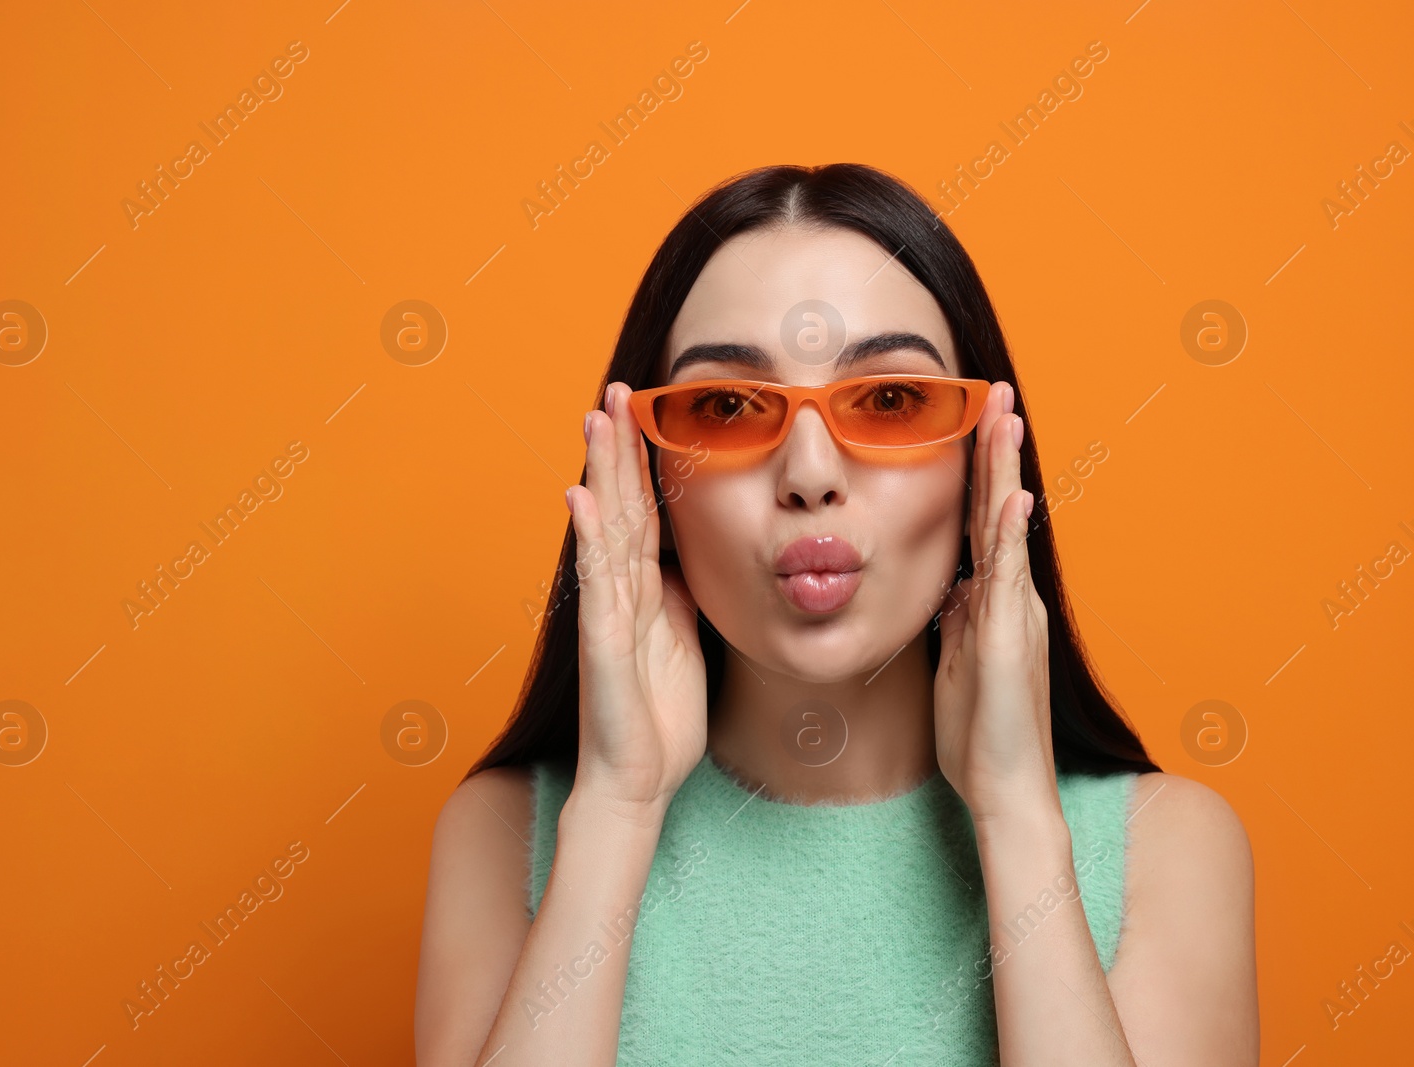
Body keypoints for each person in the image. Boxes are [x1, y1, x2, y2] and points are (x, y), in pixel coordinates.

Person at [414, 163, 1258, 1065]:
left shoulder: (1163, 847)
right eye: (728, 406)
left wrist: (1016, 813)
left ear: (983, 458)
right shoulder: (507, 836)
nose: (810, 474)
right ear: (644, 476)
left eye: (891, 400)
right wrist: (618, 808)